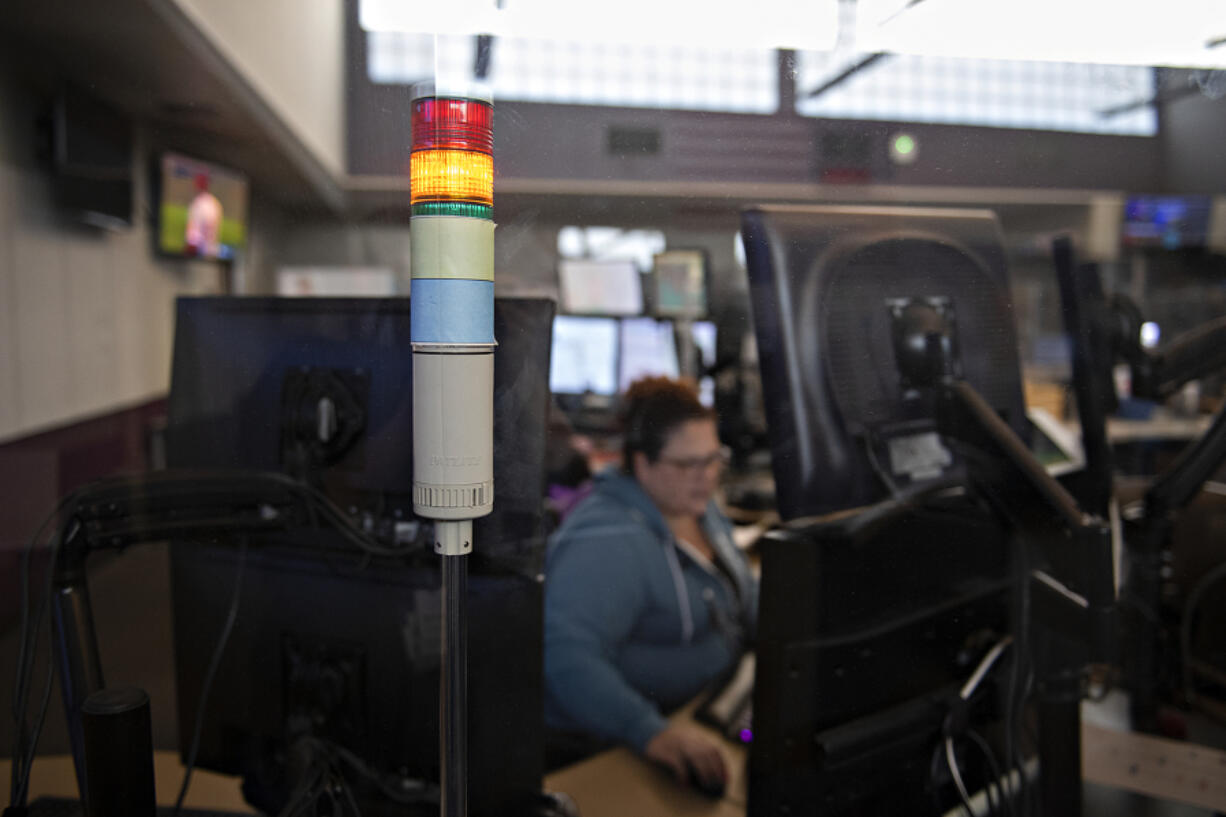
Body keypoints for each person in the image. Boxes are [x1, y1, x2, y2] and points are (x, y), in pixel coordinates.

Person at [543, 376, 757, 790]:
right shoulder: (609, 538)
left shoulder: (697, 509)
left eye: (714, 459)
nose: (707, 477)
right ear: (642, 463)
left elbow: (739, 593)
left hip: (714, 707)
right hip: (621, 743)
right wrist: (650, 731)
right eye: (688, 464)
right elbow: (566, 656)